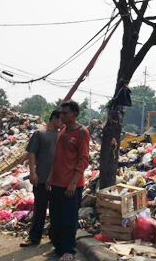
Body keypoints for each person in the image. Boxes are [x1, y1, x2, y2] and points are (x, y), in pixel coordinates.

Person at [46, 100, 90, 261]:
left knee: (69, 220)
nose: (61, 116)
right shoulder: (63, 130)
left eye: (65, 113)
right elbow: (57, 157)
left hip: (71, 185)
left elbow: (83, 159)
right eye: (61, 112)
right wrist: (51, 176)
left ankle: (68, 251)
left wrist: (73, 182)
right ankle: (58, 248)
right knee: (56, 218)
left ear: (74, 115)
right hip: (57, 182)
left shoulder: (82, 133)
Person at [20, 110, 62, 247]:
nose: (63, 121)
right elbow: (32, 153)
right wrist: (33, 173)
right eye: (61, 118)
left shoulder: (62, 135)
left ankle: (54, 237)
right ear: (54, 118)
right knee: (39, 210)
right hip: (41, 178)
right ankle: (34, 237)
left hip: (58, 180)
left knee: (56, 211)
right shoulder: (40, 133)